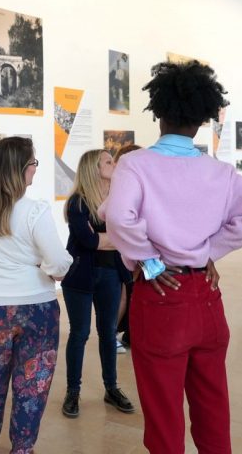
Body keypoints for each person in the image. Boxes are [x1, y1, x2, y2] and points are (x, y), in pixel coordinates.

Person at [103, 60, 242, 454]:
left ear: (158, 114)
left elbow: (118, 218)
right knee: (213, 413)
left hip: (161, 299)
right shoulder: (219, 172)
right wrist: (210, 250)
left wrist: (150, 260)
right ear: (203, 119)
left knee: (164, 418)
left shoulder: (135, 165)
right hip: (206, 297)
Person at [0, 137, 72, 454]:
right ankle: (21, 448)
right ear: (22, 170)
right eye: (34, 164)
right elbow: (59, 263)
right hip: (37, 306)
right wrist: (42, 264)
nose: (36, 170)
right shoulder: (34, 211)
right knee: (32, 382)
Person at [60, 149, 135, 419]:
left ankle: (111, 388)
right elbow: (89, 241)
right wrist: (115, 237)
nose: (114, 164)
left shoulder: (119, 199)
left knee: (108, 332)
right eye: (108, 161)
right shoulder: (78, 202)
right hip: (80, 278)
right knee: (79, 334)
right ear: (94, 168)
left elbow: (130, 233)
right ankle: (72, 391)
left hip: (112, 275)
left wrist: (104, 238)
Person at [112, 143, 142, 353]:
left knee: (131, 294)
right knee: (124, 294)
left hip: (133, 251)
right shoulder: (117, 187)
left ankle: (131, 334)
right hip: (123, 252)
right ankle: (111, 334)